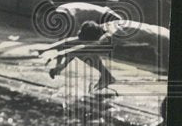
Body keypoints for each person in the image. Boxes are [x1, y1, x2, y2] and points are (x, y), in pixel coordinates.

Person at [40, 19, 169, 91]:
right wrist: (49, 52)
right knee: (85, 50)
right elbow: (74, 42)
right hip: (159, 37)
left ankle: (106, 76)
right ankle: (106, 76)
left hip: (166, 41)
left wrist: (61, 55)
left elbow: (84, 47)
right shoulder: (101, 27)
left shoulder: (112, 34)